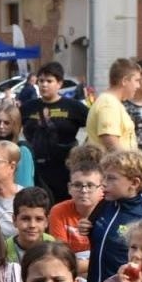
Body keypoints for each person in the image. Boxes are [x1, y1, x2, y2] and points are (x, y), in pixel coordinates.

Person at [82, 150, 142, 282]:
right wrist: (86, 228)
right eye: (104, 177)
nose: (104, 183)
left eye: (112, 178)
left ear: (134, 183)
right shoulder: (104, 206)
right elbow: (95, 236)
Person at [20, 64, 88, 199]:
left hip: (65, 170)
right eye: (41, 81)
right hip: (35, 169)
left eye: (49, 81)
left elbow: (94, 127)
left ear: (59, 84)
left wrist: (84, 150)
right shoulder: (28, 107)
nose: (44, 85)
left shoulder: (73, 107)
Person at [48, 146, 102, 270]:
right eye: (77, 185)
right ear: (69, 188)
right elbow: (61, 258)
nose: (84, 191)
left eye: (90, 185)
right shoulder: (58, 211)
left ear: (101, 188)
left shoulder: (110, 210)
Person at [87, 58, 139, 151]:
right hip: (115, 165)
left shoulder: (112, 102)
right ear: (125, 81)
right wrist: (130, 163)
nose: (138, 86)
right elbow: (111, 143)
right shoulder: (108, 104)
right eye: (136, 80)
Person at [0, 101, 37, 189]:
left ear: (15, 124)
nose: (1, 126)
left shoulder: (22, 149)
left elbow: (25, 186)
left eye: (6, 123)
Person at [5, 187, 56, 266]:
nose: (32, 225)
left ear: (46, 221)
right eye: (25, 219)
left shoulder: (53, 245)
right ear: (14, 220)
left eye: (39, 219)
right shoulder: (4, 250)